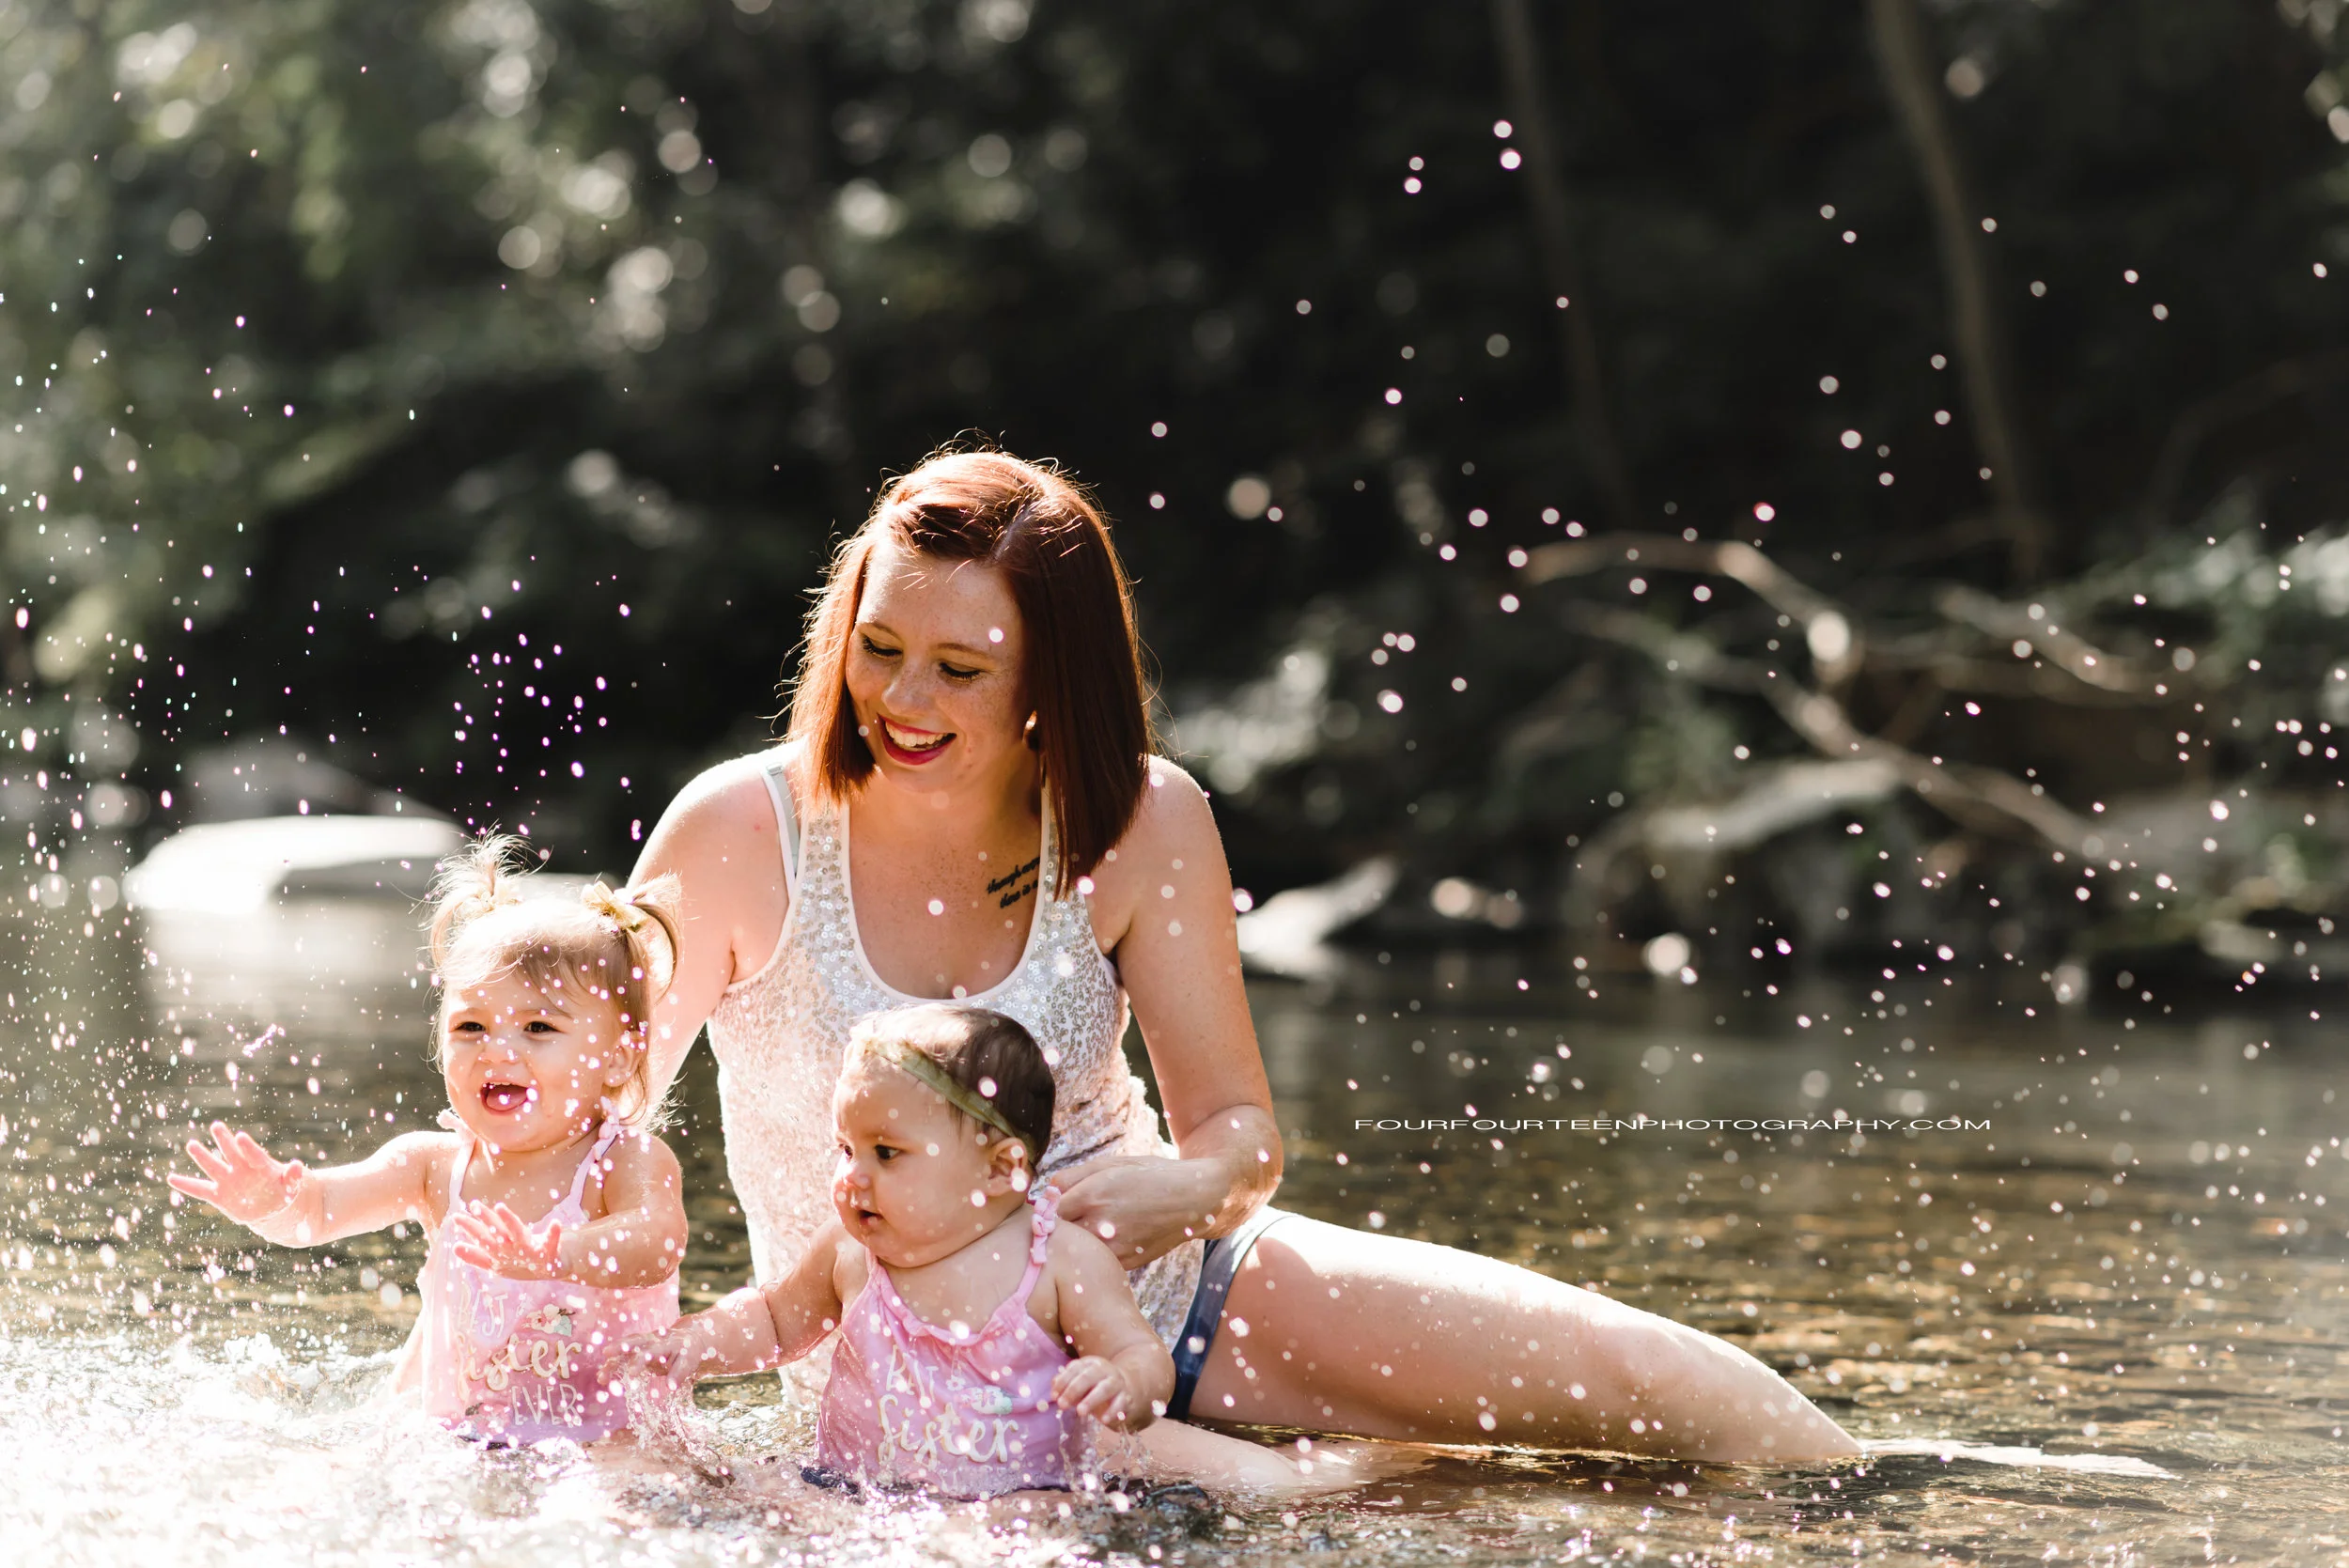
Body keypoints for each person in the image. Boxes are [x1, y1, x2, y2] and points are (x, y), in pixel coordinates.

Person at [635, 446, 1859, 1463]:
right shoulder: (741, 835)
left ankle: (1893, 1500)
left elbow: (1241, 1140)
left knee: (1636, 1375)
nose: (901, 698)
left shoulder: (1145, 821)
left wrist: (1177, 1191)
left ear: (1050, 684)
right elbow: (572, 1128)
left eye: (960, 669)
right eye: (880, 646)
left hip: (1172, 1306)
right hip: (913, 1390)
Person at [166, 838, 689, 1444]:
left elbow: (657, 1245)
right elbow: (320, 1211)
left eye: (538, 1026)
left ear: (619, 1060)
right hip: (459, 1432)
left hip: (606, 1434)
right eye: (471, 1026)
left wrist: (556, 1253)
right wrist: (276, 1204)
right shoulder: (433, 1164)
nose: (497, 1048)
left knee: (626, 1493)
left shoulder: (624, 1162)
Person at [625, 1002, 1172, 1498]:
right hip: (845, 1490)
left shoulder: (1059, 1262)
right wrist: (702, 1339)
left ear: (1001, 1168)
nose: (851, 1176)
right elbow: (773, 1320)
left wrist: (1124, 1385)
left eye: (886, 1152)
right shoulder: (849, 1252)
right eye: (846, 1148)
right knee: (751, 1494)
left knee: (1032, 1522)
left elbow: (1143, 1356)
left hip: (1019, 1500)